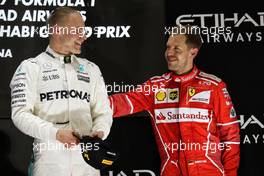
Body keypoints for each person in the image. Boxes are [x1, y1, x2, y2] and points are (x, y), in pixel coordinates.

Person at [109, 25, 240, 176]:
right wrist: (88, 104)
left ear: (193, 52)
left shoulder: (214, 86)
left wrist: (230, 174)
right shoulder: (155, 87)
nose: (169, 53)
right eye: (168, 47)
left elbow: (230, 138)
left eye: (176, 49)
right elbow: (122, 103)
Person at [10, 7, 112, 176]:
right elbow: (20, 114)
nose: (83, 36)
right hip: (48, 162)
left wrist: (99, 132)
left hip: (87, 162)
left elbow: (103, 113)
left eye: (84, 31)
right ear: (57, 30)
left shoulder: (91, 69)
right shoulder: (30, 67)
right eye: (78, 30)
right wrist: (55, 133)